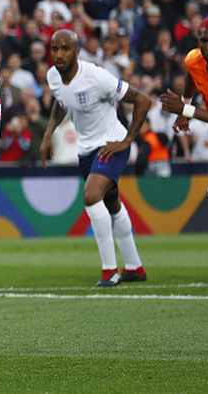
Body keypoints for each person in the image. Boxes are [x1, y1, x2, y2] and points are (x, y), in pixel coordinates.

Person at [40, 29, 150, 288]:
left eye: (65, 48)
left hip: (111, 146)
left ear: (77, 51)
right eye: (54, 49)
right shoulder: (53, 76)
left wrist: (127, 140)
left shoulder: (97, 77)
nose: (59, 54)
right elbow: (61, 102)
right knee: (112, 203)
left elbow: (143, 100)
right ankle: (135, 267)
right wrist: (48, 134)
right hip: (86, 151)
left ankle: (109, 270)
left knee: (91, 196)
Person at [161, 17, 208, 132]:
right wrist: (185, 105)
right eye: (204, 40)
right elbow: (192, 69)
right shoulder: (194, 59)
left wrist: (185, 109)